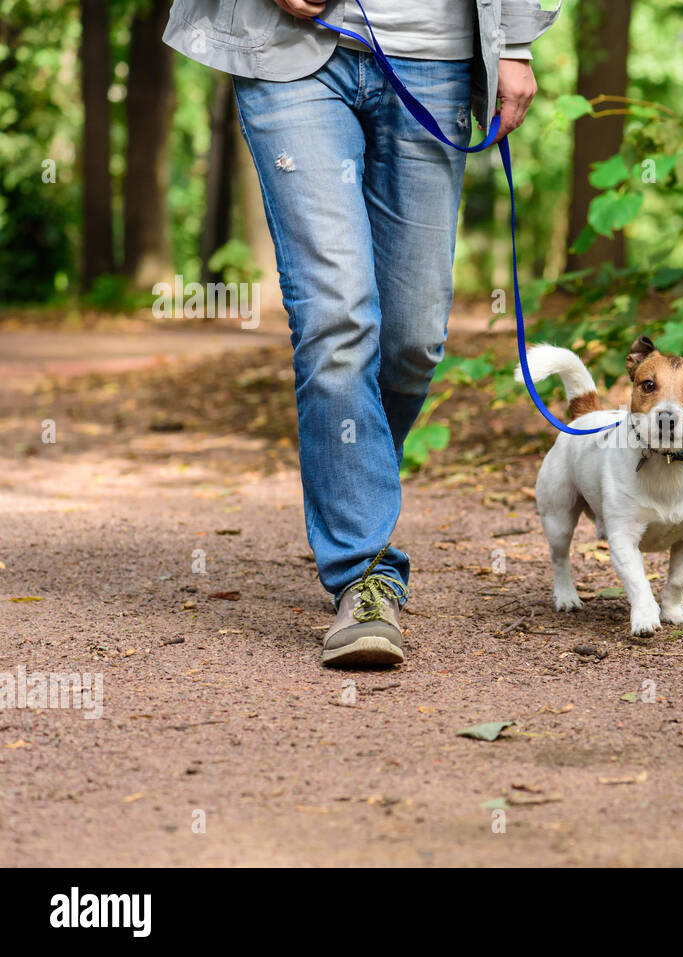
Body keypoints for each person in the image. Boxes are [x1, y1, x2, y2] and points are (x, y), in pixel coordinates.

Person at [163, 0, 559, 666]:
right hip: (290, 49)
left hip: (432, 53)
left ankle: (356, 486)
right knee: (336, 317)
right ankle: (365, 573)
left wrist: (514, 39)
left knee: (413, 338)